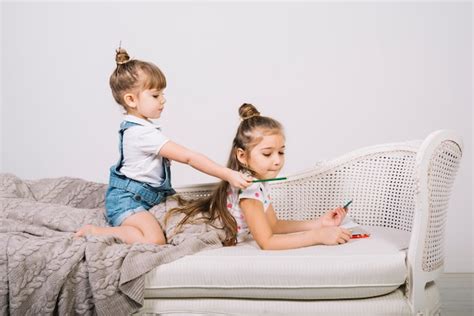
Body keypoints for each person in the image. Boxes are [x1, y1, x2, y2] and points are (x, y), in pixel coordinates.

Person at [75, 47, 252, 244]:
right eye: (155, 95)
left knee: (188, 217)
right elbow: (189, 157)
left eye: (162, 94)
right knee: (155, 241)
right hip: (128, 202)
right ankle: (98, 231)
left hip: (149, 199)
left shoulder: (142, 128)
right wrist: (228, 174)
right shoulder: (141, 133)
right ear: (131, 100)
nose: (163, 100)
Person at [166, 103, 352, 249]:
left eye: (281, 152)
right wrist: (317, 236)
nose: (277, 161)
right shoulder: (249, 188)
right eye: (267, 154)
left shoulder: (259, 182)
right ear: (242, 156)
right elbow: (267, 242)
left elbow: (274, 225)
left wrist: (319, 224)